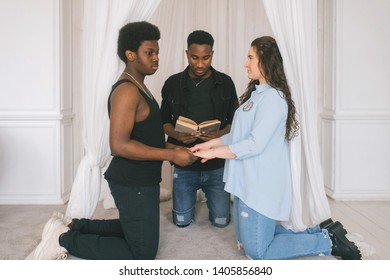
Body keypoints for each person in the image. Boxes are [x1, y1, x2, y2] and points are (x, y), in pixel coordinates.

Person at [29, 21, 197, 260]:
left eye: (157, 52)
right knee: (143, 253)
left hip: (143, 179)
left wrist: (175, 147)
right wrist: (171, 155)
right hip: (132, 181)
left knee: (137, 229)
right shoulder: (127, 91)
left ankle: (73, 225)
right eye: (149, 53)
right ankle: (63, 241)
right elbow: (118, 145)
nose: (156, 58)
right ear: (130, 55)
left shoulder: (141, 87)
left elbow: (148, 137)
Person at [190, 36, 361, 260]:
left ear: (266, 61)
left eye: (251, 58)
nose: (245, 63)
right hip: (246, 182)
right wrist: (209, 144)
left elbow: (255, 144)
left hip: (261, 186)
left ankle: (327, 241)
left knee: (258, 252)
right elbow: (239, 135)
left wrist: (212, 154)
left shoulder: (274, 99)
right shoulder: (256, 95)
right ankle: (318, 231)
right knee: (245, 241)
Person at [160, 30, 239, 228]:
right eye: (195, 57)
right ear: (187, 54)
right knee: (181, 222)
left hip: (216, 164)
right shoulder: (172, 83)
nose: (200, 64)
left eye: (206, 57)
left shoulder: (226, 83)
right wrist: (178, 135)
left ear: (212, 53)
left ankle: (210, 197)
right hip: (184, 162)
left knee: (221, 221)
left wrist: (219, 134)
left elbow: (236, 121)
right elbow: (163, 122)